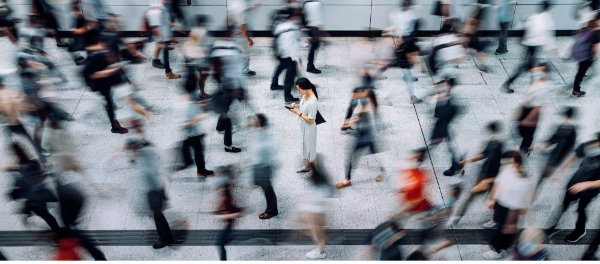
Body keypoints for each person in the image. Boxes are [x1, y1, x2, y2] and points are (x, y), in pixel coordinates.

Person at [448, 121, 505, 228]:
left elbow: (497, 160)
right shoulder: (491, 142)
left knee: (493, 199)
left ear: (493, 131)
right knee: (472, 195)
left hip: (492, 177)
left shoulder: (499, 145)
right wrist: (467, 160)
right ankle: (456, 217)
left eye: (490, 131)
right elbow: (483, 154)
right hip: (484, 175)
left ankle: (496, 220)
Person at [546, 132, 600, 243]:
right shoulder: (590, 146)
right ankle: (555, 222)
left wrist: (587, 184)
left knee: (581, 209)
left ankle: (580, 230)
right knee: (565, 204)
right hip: (575, 182)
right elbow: (573, 157)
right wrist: (559, 172)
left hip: (589, 190)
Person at [125, 136, 176, 249]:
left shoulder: (144, 157)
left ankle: (165, 239)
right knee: (158, 216)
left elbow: (148, 173)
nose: (130, 148)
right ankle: (168, 237)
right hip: (156, 189)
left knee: (158, 216)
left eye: (131, 146)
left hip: (154, 191)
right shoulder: (148, 152)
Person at [483, 151, 535, 259]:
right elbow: (497, 184)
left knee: (503, 232)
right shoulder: (506, 170)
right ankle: (498, 228)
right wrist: (491, 199)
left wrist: (510, 222)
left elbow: (518, 206)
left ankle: (497, 251)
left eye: (509, 163)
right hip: (500, 204)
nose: (505, 165)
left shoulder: (523, 182)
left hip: (510, 211)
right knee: (500, 225)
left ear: (517, 164)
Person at [501, 0, 555, 93]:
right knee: (529, 66)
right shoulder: (548, 21)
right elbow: (548, 38)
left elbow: (520, 27)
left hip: (528, 45)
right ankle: (510, 84)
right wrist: (552, 51)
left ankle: (528, 85)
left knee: (530, 65)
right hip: (535, 46)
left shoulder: (533, 16)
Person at [4, 143, 60, 232]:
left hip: (34, 196)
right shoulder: (34, 163)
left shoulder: (20, 167)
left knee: (44, 214)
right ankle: (27, 212)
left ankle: (57, 231)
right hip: (40, 193)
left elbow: (21, 183)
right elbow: (40, 175)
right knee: (44, 213)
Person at [81, 40, 128, 134]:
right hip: (94, 81)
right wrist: (109, 71)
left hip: (104, 76)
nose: (114, 58)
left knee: (117, 79)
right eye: (112, 56)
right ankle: (115, 126)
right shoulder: (95, 58)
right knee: (108, 101)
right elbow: (92, 75)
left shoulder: (112, 57)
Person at [335, 104, 385, 189]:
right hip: (367, 140)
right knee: (374, 156)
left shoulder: (365, 115)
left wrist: (354, 122)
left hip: (364, 140)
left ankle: (347, 180)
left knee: (352, 158)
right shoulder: (364, 113)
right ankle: (382, 170)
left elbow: (364, 128)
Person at [530, 107, 578, 192]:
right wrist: (541, 145)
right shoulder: (565, 127)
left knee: (544, 175)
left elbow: (568, 148)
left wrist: (560, 172)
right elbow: (553, 139)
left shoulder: (569, 131)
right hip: (554, 157)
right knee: (543, 175)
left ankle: (536, 188)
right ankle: (537, 186)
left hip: (557, 158)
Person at [296, 159, 334, 259]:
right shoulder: (321, 178)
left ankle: (321, 252)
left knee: (318, 234)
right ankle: (321, 246)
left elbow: (315, 200)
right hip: (319, 212)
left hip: (317, 214)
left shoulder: (319, 184)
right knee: (317, 232)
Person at [173, 93, 214, 177]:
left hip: (191, 133)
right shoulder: (191, 106)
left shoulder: (186, 103)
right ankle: (197, 169)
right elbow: (192, 120)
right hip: (193, 133)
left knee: (192, 148)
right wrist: (195, 120)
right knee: (197, 151)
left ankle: (192, 165)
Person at [428, 78, 463, 176]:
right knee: (447, 145)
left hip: (444, 126)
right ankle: (457, 165)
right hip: (442, 125)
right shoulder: (444, 94)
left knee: (449, 146)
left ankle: (455, 166)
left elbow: (454, 111)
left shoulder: (451, 100)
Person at [248, 114, 279, 219]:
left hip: (264, 167)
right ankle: (259, 182)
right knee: (264, 186)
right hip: (259, 165)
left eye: (254, 120)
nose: (252, 121)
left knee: (268, 189)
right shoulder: (258, 132)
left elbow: (270, 151)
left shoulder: (264, 135)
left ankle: (272, 210)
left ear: (259, 123)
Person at [515, 63, 550, 155]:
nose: (536, 71)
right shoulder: (535, 79)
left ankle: (524, 150)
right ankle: (525, 143)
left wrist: (529, 119)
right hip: (526, 107)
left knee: (528, 133)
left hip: (533, 110)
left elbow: (538, 105)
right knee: (522, 129)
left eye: (540, 70)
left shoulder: (544, 87)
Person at [287, 78, 318, 174]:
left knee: (310, 147)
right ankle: (309, 165)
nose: (298, 91)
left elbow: (311, 120)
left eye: (299, 89)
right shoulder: (305, 94)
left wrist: (298, 113)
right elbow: (304, 107)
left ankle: (312, 168)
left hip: (309, 127)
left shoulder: (313, 101)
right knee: (306, 145)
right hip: (303, 125)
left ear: (305, 88)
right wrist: (297, 105)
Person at [270, 7, 301, 103]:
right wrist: (296, 59)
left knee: (280, 67)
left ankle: (274, 84)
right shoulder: (293, 28)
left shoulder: (279, 26)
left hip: (280, 52)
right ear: (292, 17)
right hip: (289, 54)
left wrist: (277, 54)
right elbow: (293, 45)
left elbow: (276, 39)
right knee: (289, 76)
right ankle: (287, 97)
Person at [213, 165, 243, 261]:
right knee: (221, 241)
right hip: (229, 222)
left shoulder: (226, 198)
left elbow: (237, 213)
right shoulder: (226, 195)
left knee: (219, 243)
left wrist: (221, 215)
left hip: (229, 224)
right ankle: (229, 237)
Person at [146, 1, 181, 79]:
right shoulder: (156, 7)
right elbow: (155, 26)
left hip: (164, 31)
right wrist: (162, 38)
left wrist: (174, 25)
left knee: (166, 51)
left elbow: (165, 19)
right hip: (162, 32)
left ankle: (167, 71)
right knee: (166, 51)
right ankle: (168, 72)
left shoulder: (163, 6)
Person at [571, 13, 600, 97]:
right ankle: (576, 91)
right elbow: (594, 47)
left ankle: (576, 89)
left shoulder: (589, 23)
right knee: (581, 72)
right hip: (587, 55)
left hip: (581, 52)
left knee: (580, 72)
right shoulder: (597, 31)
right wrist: (592, 57)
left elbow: (579, 31)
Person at [228, 0, 256, 76]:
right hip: (240, 34)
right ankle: (244, 71)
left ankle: (240, 69)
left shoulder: (232, 3)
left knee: (238, 52)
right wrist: (248, 39)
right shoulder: (240, 7)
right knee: (245, 53)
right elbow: (242, 26)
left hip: (234, 32)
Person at [462, 0, 490, 72]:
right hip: (472, 34)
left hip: (472, 34)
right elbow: (472, 22)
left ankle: (482, 65)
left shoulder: (478, 8)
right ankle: (482, 65)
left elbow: (471, 22)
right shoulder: (480, 10)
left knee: (468, 48)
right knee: (478, 50)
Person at [302, 0, 323, 74]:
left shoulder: (307, 3)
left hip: (311, 27)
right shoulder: (315, 4)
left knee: (314, 45)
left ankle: (310, 65)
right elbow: (316, 18)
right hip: (313, 27)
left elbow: (304, 15)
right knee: (314, 46)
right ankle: (310, 66)